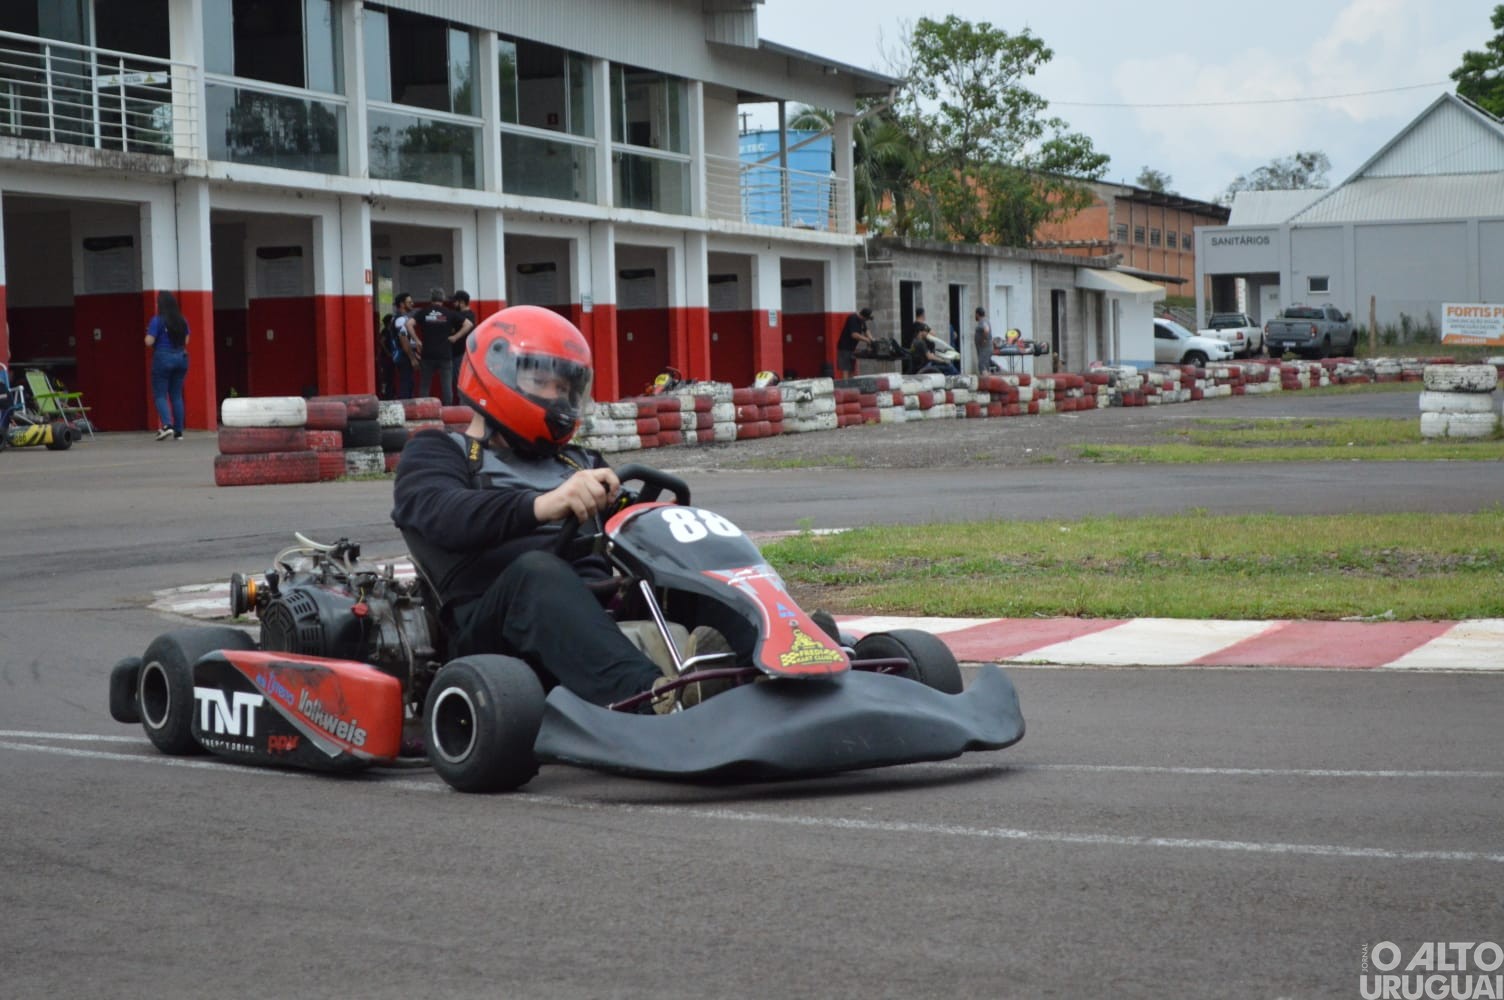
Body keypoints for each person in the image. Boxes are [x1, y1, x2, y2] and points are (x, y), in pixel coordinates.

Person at [391, 305, 729, 713]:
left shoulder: (581, 461)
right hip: (493, 632)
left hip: (595, 608)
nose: (556, 396)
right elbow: (441, 513)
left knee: (692, 571)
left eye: (565, 386)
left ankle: (775, 664)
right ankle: (654, 700)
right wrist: (542, 505)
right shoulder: (440, 450)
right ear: (494, 373)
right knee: (537, 572)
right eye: (540, 380)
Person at [413, 287, 472, 405]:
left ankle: (423, 409)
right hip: (445, 355)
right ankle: (447, 410)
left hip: (427, 355)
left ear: (431, 299)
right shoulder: (449, 313)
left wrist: (417, 340)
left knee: (425, 385)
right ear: (443, 299)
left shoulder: (424, 312)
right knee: (446, 386)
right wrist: (455, 337)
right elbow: (469, 324)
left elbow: (408, 324)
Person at [145, 290, 191, 440]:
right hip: (181, 357)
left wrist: (148, 335)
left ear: (161, 305)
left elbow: (149, 341)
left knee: (160, 394)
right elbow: (186, 341)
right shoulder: (182, 320)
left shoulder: (157, 320)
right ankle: (179, 431)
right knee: (176, 395)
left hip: (163, 357)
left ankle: (167, 425)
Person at [390, 292, 420, 399]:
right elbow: (404, 341)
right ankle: (405, 408)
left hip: (403, 355)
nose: (412, 304)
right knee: (406, 383)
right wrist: (412, 358)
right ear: (402, 304)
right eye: (409, 302)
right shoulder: (401, 319)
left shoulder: (398, 318)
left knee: (408, 382)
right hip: (403, 356)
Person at [449, 290, 477, 403]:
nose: (453, 304)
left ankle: (463, 406)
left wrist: (454, 336)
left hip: (459, 353)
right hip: (465, 352)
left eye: (455, 302)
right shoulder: (471, 314)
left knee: (459, 381)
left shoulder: (460, 316)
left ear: (461, 302)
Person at [837, 307, 874, 378]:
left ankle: (851, 385)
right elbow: (854, 335)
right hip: (845, 347)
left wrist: (872, 339)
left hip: (852, 348)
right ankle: (846, 384)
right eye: (866, 319)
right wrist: (867, 340)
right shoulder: (853, 318)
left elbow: (866, 330)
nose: (866, 321)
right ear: (863, 316)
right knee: (846, 368)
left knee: (851, 368)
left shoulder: (862, 321)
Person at [972, 307, 992, 376]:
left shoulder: (982, 321)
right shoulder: (985, 320)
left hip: (984, 348)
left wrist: (984, 339)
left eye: (975, 314)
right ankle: (988, 382)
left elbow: (986, 330)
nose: (975, 316)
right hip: (984, 349)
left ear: (977, 314)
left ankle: (985, 383)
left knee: (982, 365)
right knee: (985, 366)